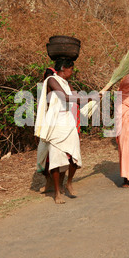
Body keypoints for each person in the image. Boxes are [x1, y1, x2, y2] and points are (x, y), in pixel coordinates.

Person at [35, 58, 98, 203]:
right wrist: (90, 98)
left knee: (74, 156)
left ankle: (68, 182)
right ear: (64, 68)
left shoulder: (67, 84)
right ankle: (57, 192)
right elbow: (66, 97)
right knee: (57, 159)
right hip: (55, 124)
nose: (72, 72)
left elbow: (74, 96)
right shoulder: (52, 80)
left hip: (68, 122)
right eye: (71, 69)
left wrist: (92, 98)